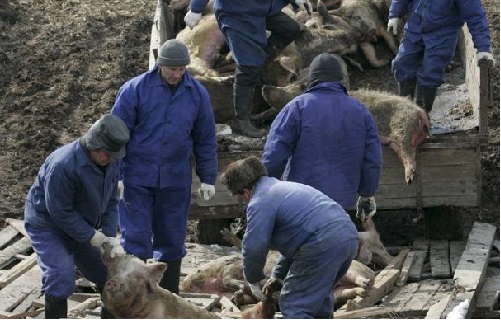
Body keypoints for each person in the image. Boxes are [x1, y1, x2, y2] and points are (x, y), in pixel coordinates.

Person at [111, 39, 218, 295]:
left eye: (181, 69)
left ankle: (168, 297)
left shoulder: (197, 94)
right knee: (135, 238)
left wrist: (208, 178)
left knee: (171, 238)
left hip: (174, 178)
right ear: (160, 65)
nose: (176, 74)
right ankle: (133, 295)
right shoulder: (135, 90)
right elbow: (114, 133)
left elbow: (205, 138)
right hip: (137, 176)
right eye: (172, 69)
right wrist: (117, 175)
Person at [220, 156, 359, 318]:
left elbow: (254, 246)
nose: (243, 201)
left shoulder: (260, 201)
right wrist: (278, 275)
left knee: (294, 303)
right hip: (348, 236)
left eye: (240, 197)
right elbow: (298, 244)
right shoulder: (285, 188)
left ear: (245, 191)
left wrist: (252, 279)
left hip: (323, 242)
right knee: (319, 298)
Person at [24, 114, 130, 319]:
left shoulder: (111, 162)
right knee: (61, 277)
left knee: (109, 273)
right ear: (94, 145)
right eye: (107, 154)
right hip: (48, 224)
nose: (111, 159)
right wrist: (91, 235)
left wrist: (108, 237)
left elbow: (109, 202)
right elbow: (59, 211)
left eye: (114, 155)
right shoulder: (63, 165)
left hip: (82, 223)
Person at [262, 53, 382, 221]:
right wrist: (367, 194)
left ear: (312, 78)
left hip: (301, 202)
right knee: (335, 243)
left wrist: (265, 189)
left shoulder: (296, 108)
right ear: (340, 79)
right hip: (342, 204)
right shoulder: (361, 112)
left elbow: (274, 153)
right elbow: (372, 160)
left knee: (302, 245)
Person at [184, 0, 313, 138]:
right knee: (248, 66)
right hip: (236, 14)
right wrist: (196, 8)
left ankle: (259, 64)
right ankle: (241, 120)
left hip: (262, 8)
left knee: (290, 29)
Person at [387, 0, 494, 113]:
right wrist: (394, 14)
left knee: (431, 71)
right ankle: (405, 110)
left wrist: (483, 48)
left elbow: (475, 16)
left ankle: (422, 114)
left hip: (442, 35)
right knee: (402, 63)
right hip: (415, 27)